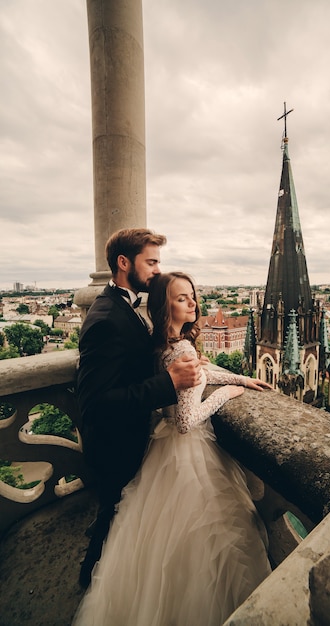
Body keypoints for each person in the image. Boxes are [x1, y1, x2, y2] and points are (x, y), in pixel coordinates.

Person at [73, 271, 272, 626]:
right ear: (166, 306)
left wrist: (240, 377)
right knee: (202, 546)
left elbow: (202, 370)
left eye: (193, 295)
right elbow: (186, 420)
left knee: (154, 548)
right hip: (187, 452)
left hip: (159, 449)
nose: (193, 302)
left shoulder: (159, 343)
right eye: (182, 298)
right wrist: (227, 395)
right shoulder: (180, 348)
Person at [76, 231, 202, 589]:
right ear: (123, 263)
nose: (157, 271)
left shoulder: (122, 308)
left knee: (122, 523)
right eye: (152, 262)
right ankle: (93, 582)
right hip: (116, 446)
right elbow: (96, 403)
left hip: (128, 439)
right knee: (113, 522)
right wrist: (169, 382)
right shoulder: (106, 318)